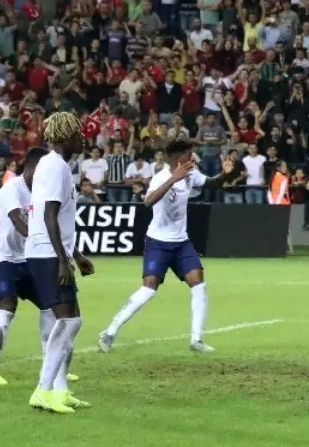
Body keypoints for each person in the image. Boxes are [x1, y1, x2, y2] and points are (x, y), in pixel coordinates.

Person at [98, 138, 238, 353]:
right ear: (176, 158)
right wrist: (173, 179)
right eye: (188, 155)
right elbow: (148, 201)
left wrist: (226, 173)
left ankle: (196, 340)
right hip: (158, 242)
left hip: (181, 242)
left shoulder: (191, 173)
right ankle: (109, 332)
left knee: (198, 283)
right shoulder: (161, 177)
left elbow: (211, 183)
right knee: (149, 289)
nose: (192, 158)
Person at [26, 113, 96, 414]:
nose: (83, 138)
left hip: (49, 251)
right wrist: (62, 260)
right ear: (66, 136)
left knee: (68, 319)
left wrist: (75, 255)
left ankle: (61, 390)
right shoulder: (56, 167)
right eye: (78, 134)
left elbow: (56, 216)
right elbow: (49, 215)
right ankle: (43, 390)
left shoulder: (54, 165)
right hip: (46, 253)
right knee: (70, 321)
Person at [0, 147, 68, 386]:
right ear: (30, 168)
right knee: (7, 308)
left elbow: (51, 225)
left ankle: (50, 367)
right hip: (1, 256)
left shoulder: (41, 193)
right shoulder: (12, 188)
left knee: (51, 307)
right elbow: (18, 221)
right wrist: (41, 243)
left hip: (25, 257)